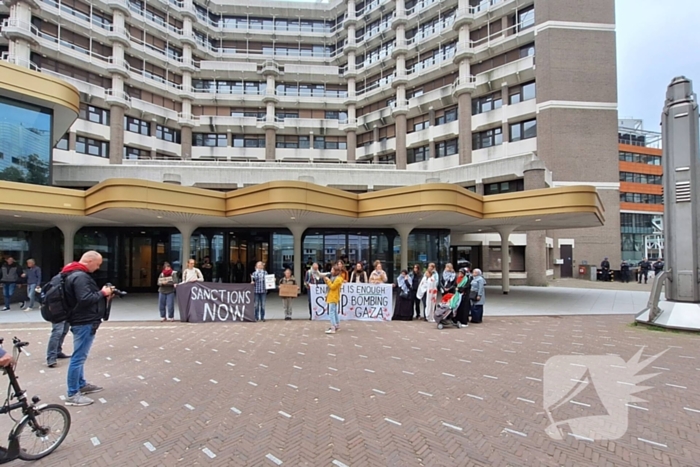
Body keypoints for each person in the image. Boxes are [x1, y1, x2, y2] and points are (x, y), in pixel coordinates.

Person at [62, 251, 114, 406]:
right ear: (89, 261)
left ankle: (81, 384)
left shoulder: (71, 273)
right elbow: (85, 299)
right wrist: (103, 293)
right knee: (78, 357)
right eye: (97, 264)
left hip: (81, 320)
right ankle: (73, 393)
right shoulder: (80, 277)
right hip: (83, 321)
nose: (98, 268)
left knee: (80, 356)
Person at [321, 265, 343, 334]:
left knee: (331, 312)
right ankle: (336, 325)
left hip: (333, 297)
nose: (331, 271)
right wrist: (326, 280)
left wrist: (328, 281)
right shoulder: (334, 278)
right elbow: (330, 285)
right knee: (334, 311)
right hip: (331, 296)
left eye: (332, 270)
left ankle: (333, 327)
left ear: (336, 271)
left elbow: (332, 287)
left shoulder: (338, 279)